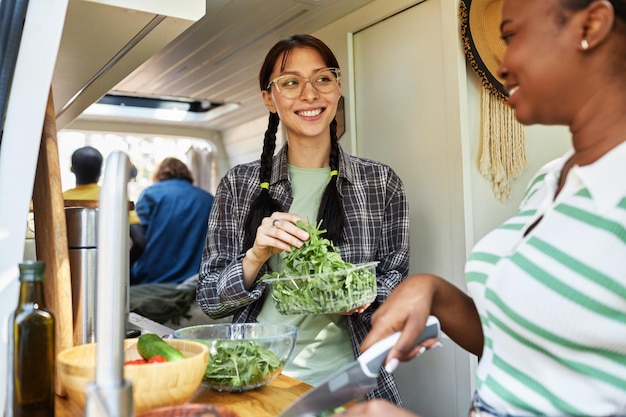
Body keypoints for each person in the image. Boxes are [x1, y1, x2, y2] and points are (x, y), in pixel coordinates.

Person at [338, 0, 626, 416]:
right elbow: (521, 347)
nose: (502, 63)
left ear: (593, 24)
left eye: (511, 36)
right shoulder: (551, 180)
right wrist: (433, 292)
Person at [196, 34, 410, 405]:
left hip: (351, 384)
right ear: (270, 98)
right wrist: (256, 256)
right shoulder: (239, 185)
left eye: (322, 79)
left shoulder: (380, 183)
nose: (310, 95)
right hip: (259, 379)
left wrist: (363, 294)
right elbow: (210, 299)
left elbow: (397, 281)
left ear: (337, 87)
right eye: (291, 82)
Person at [130, 157, 214, 285]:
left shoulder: (151, 194)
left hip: (152, 282)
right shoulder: (209, 199)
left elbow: (137, 238)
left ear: (159, 174)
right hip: (194, 283)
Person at [63, 146, 145, 264]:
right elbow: (139, 241)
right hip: (109, 268)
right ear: (100, 171)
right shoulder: (115, 197)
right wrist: (123, 266)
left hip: (69, 267)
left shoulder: (60, 199)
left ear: (72, 169)